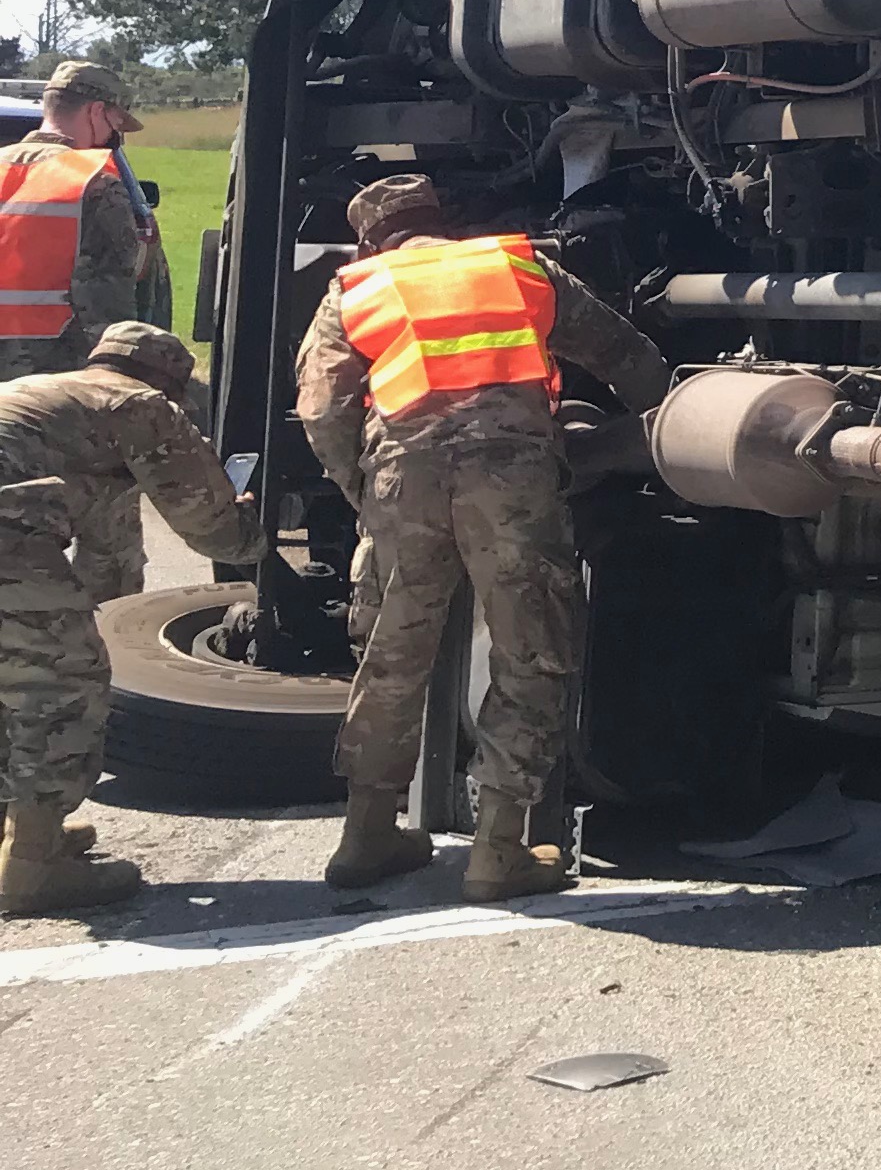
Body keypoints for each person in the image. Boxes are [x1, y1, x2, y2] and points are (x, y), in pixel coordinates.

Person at [292, 177, 669, 902]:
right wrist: (662, 431)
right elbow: (626, 356)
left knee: (393, 654)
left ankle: (366, 833)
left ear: (372, 239)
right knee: (529, 648)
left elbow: (321, 405)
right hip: (514, 483)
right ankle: (499, 848)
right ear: (443, 221)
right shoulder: (516, 265)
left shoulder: (357, 287)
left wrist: (361, 486)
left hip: (404, 482)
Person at [0, 322, 253, 916]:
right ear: (168, 383)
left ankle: (18, 832)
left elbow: (108, 563)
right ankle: (33, 870)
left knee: (11, 683)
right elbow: (207, 522)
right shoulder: (139, 406)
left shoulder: (51, 396)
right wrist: (253, 531)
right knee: (60, 688)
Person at [0, 60, 173, 382]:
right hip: (53, 377)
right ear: (96, 111)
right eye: (115, 122)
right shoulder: (94, 183)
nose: (114, 134)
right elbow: (110, 304)